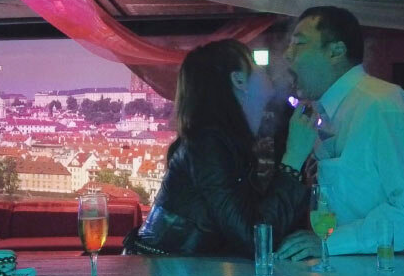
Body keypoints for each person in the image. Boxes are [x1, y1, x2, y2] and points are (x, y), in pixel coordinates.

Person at [276, 6, 404, 261]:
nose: (287, 55)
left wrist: (330, 243)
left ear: (336, 51)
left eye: (298, 44)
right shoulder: (325, 113)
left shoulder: (384, 106)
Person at [123, 39, 318, 256]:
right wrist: (293, 158)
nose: (265, 70)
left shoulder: (218, 140)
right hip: (167, 273)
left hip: (176, 269)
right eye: (254, 64)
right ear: (239, 80)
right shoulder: (209, 143)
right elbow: (253, 239)